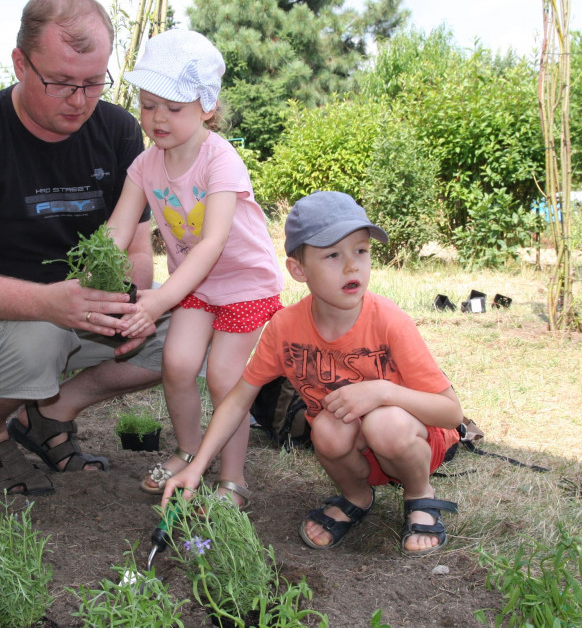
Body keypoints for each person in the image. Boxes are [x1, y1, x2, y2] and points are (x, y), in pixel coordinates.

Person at [0, 0, 165, 498]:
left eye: (95, 83)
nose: (79, 100)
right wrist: (48, 303)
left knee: (190, 336)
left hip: (80, 310)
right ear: (20, 63)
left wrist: (127, 303)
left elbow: (138, 250)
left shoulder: (117, 132)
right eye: (61, 83)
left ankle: (48, 414)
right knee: (39, 337)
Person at [164, 191, 464, 554]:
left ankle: (419, 495)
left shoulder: (390, 321)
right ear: (298, 270)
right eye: (333, 255)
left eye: (361, 251)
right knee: (325, 427)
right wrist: (197, 465)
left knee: (385, 423)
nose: (352, 266)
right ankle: (357, 497)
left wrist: (383, 391)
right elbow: (239, 399)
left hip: (408, 442)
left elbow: (451, 413)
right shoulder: (285, 328)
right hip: (354, 450)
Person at [106, 29, 284, 507]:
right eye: (147, 105)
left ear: (207, 106)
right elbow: (118, 230)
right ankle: (187, 452)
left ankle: (232, 478)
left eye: (173, 107)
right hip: (196, 288)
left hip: (243, 285)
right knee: (178, 363)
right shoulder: (145, 165)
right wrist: (88, 272)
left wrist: (160, 298)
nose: (157, 118)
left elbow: (211, 245)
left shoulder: (221, 161)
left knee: (226, 377)